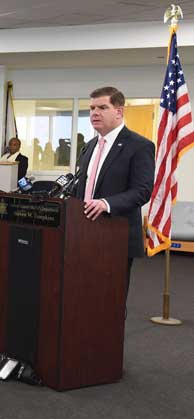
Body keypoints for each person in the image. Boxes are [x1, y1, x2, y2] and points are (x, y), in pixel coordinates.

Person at [75, 86, 155, 296]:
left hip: (115, 235)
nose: (94, 113)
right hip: (82, 233)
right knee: (83, 293)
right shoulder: (89, 146)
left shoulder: (140, 146)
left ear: (119, 112)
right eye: (92, 108)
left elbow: (142, 190)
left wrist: (106, 203)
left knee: (111, 299)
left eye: (102, 107)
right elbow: (81, 187)